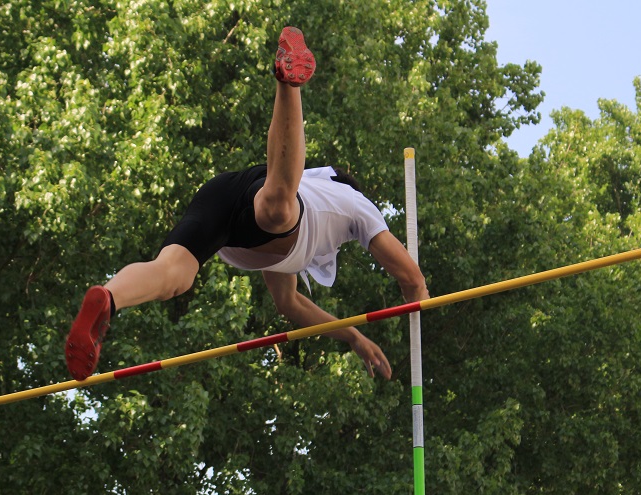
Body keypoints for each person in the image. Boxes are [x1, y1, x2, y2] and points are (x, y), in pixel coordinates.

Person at [65, 26, 429, 382]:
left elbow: (290, 304)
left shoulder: (297, 250)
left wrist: (353, 336)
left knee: (174, 274)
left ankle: (109, 298)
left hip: (222, 197)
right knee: (278, 207)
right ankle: (288, 82)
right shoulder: (354, 203)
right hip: (267, 202)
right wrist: (419, 316)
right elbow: (410, 278)